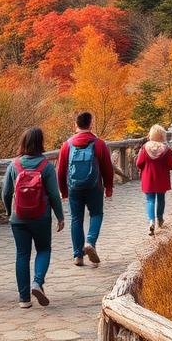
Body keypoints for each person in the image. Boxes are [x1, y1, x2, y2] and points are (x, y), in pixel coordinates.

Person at [1, 127, 64, 309]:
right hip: (41, 217)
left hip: (18, 218)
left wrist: (8, 211)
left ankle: (24, 299)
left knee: (22, 255)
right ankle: (37, 282)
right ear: (40, 143)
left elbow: (5, 193)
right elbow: (53, 194)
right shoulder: (46, 167)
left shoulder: (14, 165)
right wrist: (60, 217)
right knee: (43, 249)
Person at [57, 111, 113, 267]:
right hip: (95, 186)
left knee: (76, 219)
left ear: (76, 125)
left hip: (74, 187)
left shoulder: (67, 145)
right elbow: (107, 169)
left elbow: (60, 170)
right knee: (96, 214)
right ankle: (90, 241)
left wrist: (63, 190)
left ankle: (78, 256)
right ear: (91, 124)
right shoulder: (99, 144)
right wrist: (109, 188)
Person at [135, 124, 172, 236]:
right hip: (162, 178)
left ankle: (151, 221)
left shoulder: (145, 148)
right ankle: (160, 219)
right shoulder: (166, 149)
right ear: (162, 136)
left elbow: (139, 163)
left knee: (150, 200)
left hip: (148, 178)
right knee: (161, 199)